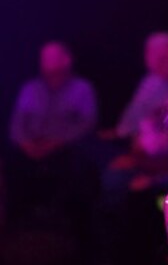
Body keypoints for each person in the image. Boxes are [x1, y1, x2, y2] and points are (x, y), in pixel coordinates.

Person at [5, 40, 99, 225]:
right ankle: (18, 220)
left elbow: (87, 123)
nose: (47, 62)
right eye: (44, 58)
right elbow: (17, 122)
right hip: (29, 146)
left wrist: (57, 142)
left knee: (77, 162)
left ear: (66, 60)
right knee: (11, 161)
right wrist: (25, 143)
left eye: (52, 57)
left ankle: (66, 220)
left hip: (64, 148)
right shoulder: (30, 88)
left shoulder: (82, 88)